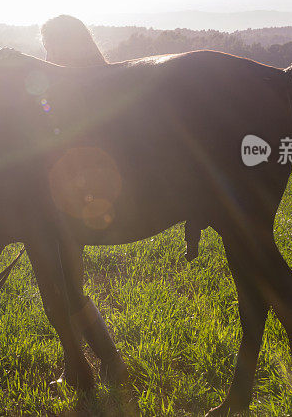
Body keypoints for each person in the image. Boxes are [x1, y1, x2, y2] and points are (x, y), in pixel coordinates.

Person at [41, 14, 202, 262]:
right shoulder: (98, 81)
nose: (47, 57)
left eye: (51, 47)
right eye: (46, 48)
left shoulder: (81, 90)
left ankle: (74, 298)